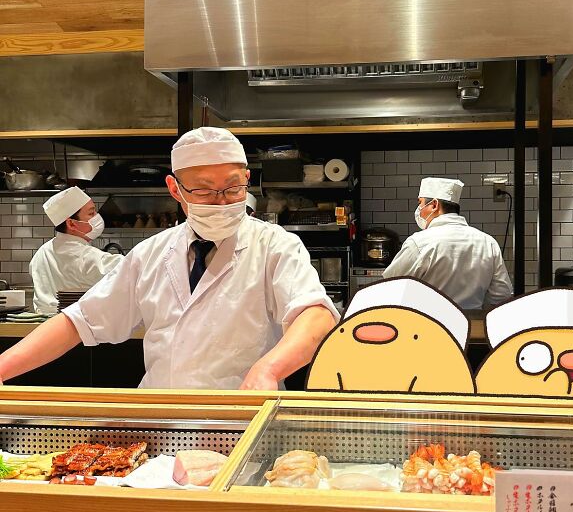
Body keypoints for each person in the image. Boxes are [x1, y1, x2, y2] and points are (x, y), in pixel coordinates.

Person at [0, 128, 339, 390]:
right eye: (204, 190)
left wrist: (269, 370)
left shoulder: (275, 245)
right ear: (175, 189)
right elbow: (80, 321)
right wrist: (2, 367)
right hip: (163, 423)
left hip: (241, 424)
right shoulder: (151, 253)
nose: (221, 202)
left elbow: (315, 316)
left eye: (233, 188)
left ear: (247, 180)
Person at [382, 177, 513, 310]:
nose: (419, 209)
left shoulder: (419, 243)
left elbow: (389, 288)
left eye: (420, 203)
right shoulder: (488, 243)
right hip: (472, 326)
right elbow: (502, 295)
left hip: (429, 326)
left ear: (434, 205)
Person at [29, 187, 124, 315]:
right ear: (71, 224)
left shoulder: (42, 252)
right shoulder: (84, 256)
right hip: (75, 326)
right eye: (91, 213)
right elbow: (130, 267)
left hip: (42, 326)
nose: (97, 217)